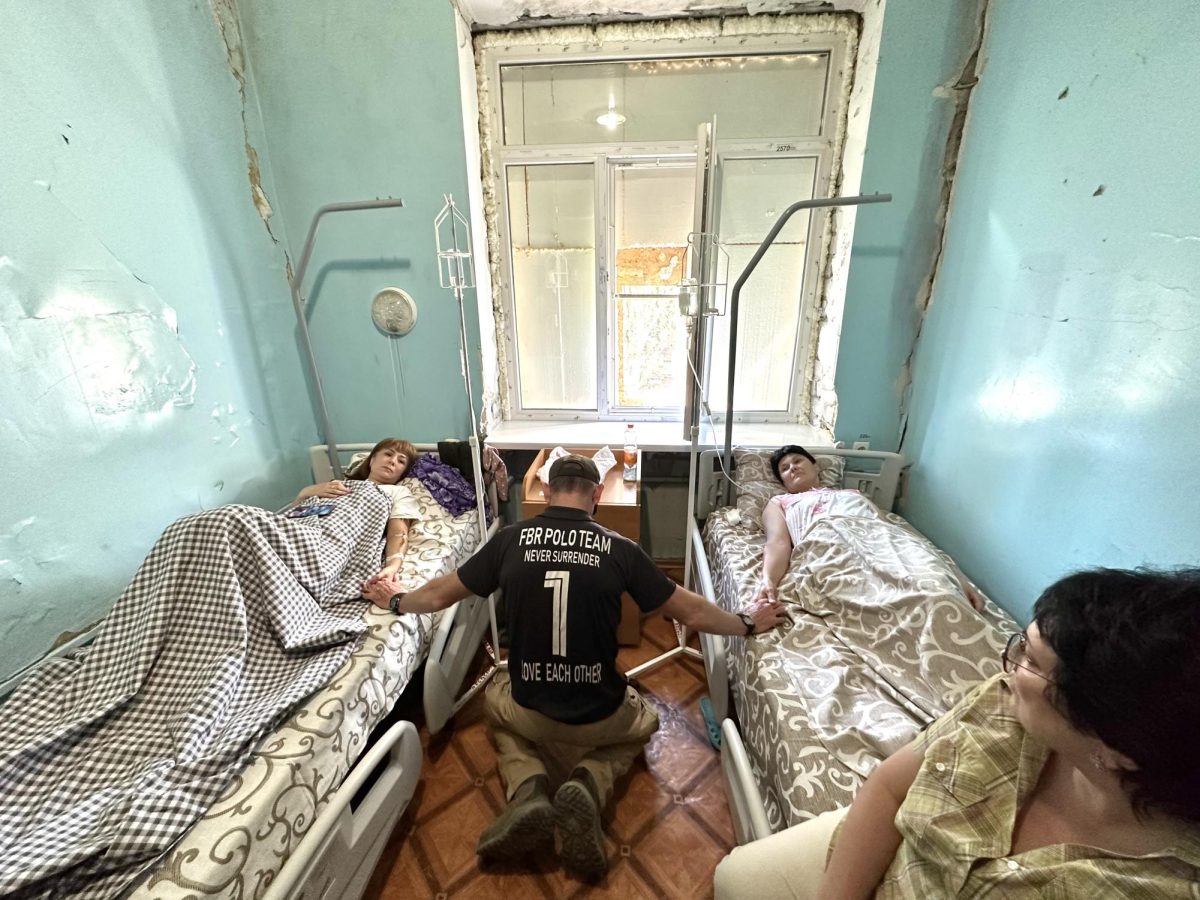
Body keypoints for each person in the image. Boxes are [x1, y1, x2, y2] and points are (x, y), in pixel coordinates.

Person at [362, 453, 790, 881]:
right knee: (647, 720)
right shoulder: (621, 550)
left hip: (530, 709)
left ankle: (528, 787)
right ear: (597, 495)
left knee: (496, 700)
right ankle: (589, 782)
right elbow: (691, 612)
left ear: (546, 492)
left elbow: (438, 595)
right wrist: (748, 623)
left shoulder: (509, 540)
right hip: (599, 715)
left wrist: (396, 599)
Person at [713, 567, 1200, 899]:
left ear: (1118, 746)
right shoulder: (1003, 704)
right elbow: (888, 786)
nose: (1007, 667)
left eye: (1031, 660)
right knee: (734, 874)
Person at [756, 444, 981, 609]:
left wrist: (956, 577)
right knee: (888, 597)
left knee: (939, 589)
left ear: (815, 465)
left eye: (797, 461)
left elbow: (892, 531)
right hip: (829, 542)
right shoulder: (780, 503)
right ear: (783, 481)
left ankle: (946, 598)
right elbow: (777, 543)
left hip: (877, 537)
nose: (792, 468)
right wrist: (769, 580)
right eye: (785, 469)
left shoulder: (852, 494)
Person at [297, 437, 420, 579]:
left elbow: (399, 532)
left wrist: (392, 567)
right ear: (372, 460)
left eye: (401, 461)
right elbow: (296, 513)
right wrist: (306, 492)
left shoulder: (398, 492)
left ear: (403, 473)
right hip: (304, 530)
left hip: (333, 542)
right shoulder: (338, 485)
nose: (392, 461)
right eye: (388, 454)